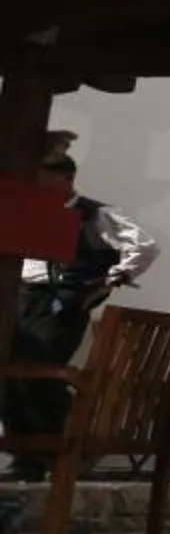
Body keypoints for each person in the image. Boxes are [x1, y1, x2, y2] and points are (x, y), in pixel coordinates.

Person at [6, 148, 160, 476]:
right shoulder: (29, 211)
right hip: (20, 298)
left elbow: (144, 246)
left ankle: (66, 448)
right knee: (9, 375)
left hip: (62, 302)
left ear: (67, 179)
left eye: (46, 181)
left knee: (40, 373)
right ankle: (27, 455)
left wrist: (114, 278)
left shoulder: (94, 214)